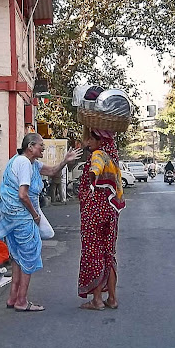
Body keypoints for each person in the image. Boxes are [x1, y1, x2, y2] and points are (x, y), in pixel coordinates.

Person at [0, 133, 82, 312]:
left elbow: (52, 171)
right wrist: (35, 215)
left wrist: (65, 160)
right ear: (30, 147)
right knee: (29, 256)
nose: (43, 148)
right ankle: (22, 301)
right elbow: (22, 195)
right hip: (22, 218)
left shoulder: (27, 163)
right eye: (41, 145)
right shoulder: (25, 164)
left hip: (12, 217)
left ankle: (13, 297)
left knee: (18, 256)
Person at [78, 127, 125, 311]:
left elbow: (95, 169)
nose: (87, 143)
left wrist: (91, 178)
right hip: (111, 210)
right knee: (109, 253)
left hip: (94, 211)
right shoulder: (113, 157)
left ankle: (97, 300)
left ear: (100, 141)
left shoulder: (98, 155)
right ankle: (112, 298)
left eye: (90, 139)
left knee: (93, 252)